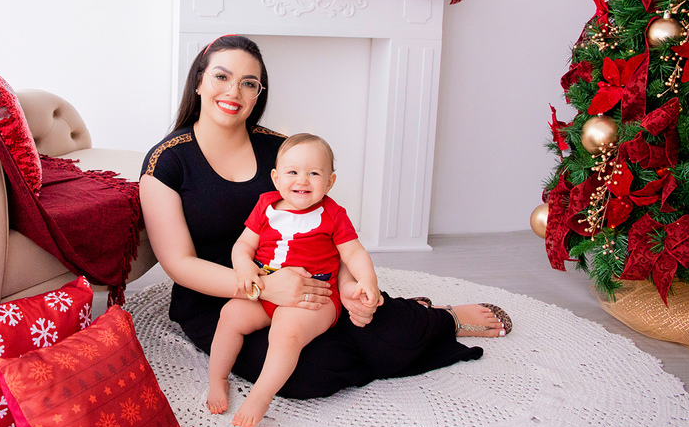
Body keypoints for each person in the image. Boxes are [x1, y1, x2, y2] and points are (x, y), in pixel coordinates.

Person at [139, 34, 509, 407]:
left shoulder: (281, 150)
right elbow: (180, 264)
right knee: (311, 372)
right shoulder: (167, 162)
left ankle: (438, 318)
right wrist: (264, 288)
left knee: (380, 324)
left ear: (258, 93)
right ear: (199, 81)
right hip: (222, 301)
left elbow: (327, 230)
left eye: (248, 83)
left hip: (309, 285)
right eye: (221, 77)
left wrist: (347, 285)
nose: (233, 91)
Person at [209, 133, 380, 426]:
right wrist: (245, 269)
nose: (302, 180)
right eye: (292, 172)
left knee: (286, 333)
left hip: (314, 295)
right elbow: (243, 246)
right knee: (230, 315)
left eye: (314, 173)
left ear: (329, 182)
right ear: (276, 178)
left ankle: (260, 396)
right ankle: (217, 379)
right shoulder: (265, 205)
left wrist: (367, 280)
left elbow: (353, 252)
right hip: (267, 290)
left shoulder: (334, 214)